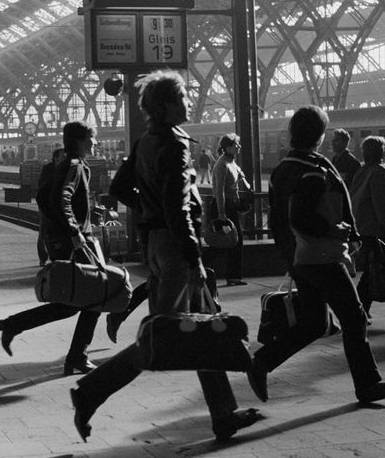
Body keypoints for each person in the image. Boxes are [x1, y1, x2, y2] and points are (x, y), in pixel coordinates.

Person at [70, 71, 262, 443]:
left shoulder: (146, 142)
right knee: (162, 337)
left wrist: (147, 209)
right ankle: (90, 391)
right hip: (175, 247)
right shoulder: (175, 145)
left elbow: (120, 187)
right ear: (167, 105)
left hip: (156, 243)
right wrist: (194, 257)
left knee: (202, 325)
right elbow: (177, 208)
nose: (189, 101)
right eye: (184, 96)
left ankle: (224, 415)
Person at [249, 105, 385, 406]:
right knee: (354, 317)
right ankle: (368, 384)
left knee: (313, 323)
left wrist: (289, 257)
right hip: (320, 255)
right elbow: (302, 217)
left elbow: (281, 220)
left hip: (299, 257)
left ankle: (261, 362)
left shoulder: (284, 168)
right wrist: (336, 230)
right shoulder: (312, 170)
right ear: (320, 135)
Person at [0, 121, 104, 376]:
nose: (94, 143)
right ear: (80, 141)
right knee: (93, 296)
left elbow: (46, 197)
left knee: (75, 301)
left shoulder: (68, 165)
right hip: (74, 241)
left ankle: (15, 326)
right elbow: (59, 198)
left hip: (69, 238)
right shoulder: (74, 166)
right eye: (92, 138)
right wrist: (74, 231)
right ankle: (76, 355)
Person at [349, 136, 385, 317]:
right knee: (371, 271)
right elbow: (380, 202)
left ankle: (360, 310)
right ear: (381, 151)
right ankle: (358, 310)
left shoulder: (362, 170)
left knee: (370, 269)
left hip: (360, 223)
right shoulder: (381, 171)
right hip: (373, 227)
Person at [212, 133, 251, 286]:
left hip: (230, 206)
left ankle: (233, 276)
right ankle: (232, 276)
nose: (239, 147)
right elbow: (219, 190)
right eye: (236, 145)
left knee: (231, 241)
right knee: (230, 240)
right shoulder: (222, 165)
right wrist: (221, 213)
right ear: (227, 147)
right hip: (224, 207)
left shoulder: (231, 163)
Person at [36, 148, 66, 265]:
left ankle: (58, 253)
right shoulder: (48, 169)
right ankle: (42, 257)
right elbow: (42, 187)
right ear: (56, 158)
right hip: (46, 203)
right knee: (43, 229)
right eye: (63, 156)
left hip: (60, 203)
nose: (65, 157)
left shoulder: (66, 168)